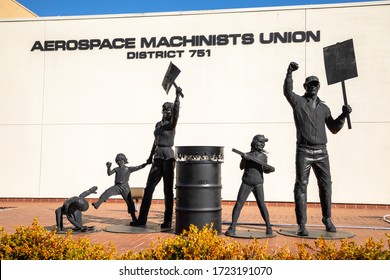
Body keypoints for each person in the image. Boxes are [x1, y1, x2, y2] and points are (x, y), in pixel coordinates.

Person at [283, 61, 352, 236]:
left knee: (326, 185)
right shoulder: (298, 102)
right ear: (305, 86)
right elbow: (287, 92)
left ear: (319, 87)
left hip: (322, 152)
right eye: (310, 84)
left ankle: (327, 218)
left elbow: (334, 128)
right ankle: (302, 224)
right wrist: (289, 73)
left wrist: (343, 115)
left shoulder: (324, 108)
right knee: (301, 186)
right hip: (304, 150)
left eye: (316, 84)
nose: (313, 87)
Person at [131, 86, 183, 228]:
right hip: (157, 158)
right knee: (148, 189)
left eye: (168, 110)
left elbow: (177, 114)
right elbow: (155, 143)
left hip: (168, 158)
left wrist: (177, 97)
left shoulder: (171, 125)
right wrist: (149, 157)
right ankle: (142, 220)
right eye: (164, 109)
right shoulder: (158, 125)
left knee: (167, 190)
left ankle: (167, 221)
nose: (165, 112)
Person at [225, 134, 275, 236]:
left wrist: (270, 170)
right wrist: (244, 158)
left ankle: (268, 227)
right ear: (255, 142)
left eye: (263, 143)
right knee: (239, 204)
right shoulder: (247, 155)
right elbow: (241, 167)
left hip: (258, 184)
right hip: (246, 182)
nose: (262, 144)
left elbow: (265, 170)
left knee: (262, 205)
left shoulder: (263, 156)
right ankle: (232, 226)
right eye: (261, 142)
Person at [92, 153, 147, 222]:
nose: (118, 163)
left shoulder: (128, 169)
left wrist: (146, 164)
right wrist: (108, 167)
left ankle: (134, 217)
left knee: (129, 202)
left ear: (123, 161)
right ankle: (97, 204)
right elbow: (109, 174)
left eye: (119, 161)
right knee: (107, 192)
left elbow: (137, 167)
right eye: (117, 161)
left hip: (125, 187)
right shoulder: (116, 169)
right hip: (117, 186)